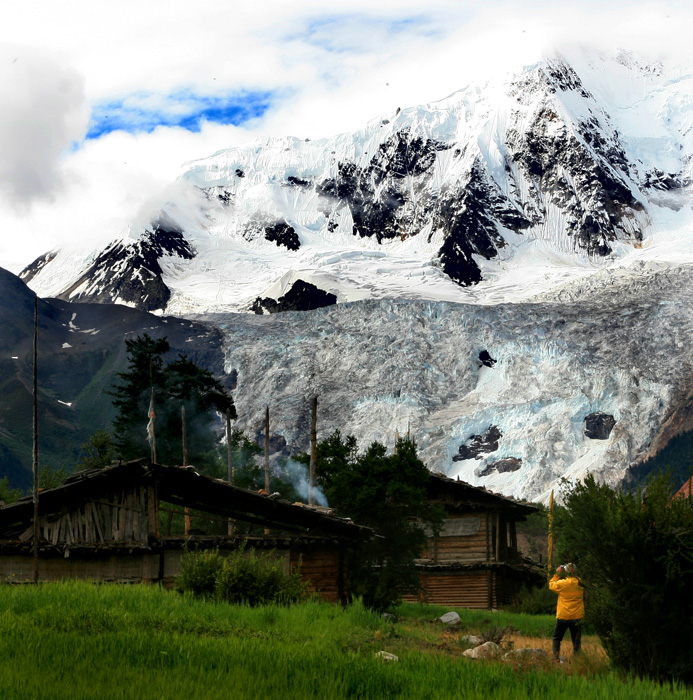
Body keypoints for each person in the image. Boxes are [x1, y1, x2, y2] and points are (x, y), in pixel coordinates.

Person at [549, 563, 584, 661]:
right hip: (577, 616)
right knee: (576, 640)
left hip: (563, 616)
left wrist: (557, 574)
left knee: (557, 638)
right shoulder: (580, 582)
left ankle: (555, 657)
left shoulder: (562, 584)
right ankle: (577, 659)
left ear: (566, 571)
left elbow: (551, 585)